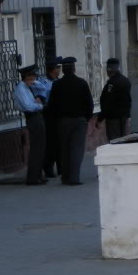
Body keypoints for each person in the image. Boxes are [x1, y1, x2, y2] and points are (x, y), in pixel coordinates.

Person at [45, 56, 93, 185]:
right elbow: (89, 104)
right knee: (77, 149)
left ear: (64, 70)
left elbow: (52, 106)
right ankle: (74, 178)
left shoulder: (57, 84)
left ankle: (65, 177)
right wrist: (85, 119)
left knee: (64, 149)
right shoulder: (82, 83)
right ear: (74, 69)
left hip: (63, 122)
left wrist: (55, 121)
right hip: (79, 121)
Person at [13, 65, 46, 185]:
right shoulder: (21, 89)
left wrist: (34, 84)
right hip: (33, 118)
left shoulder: (28, 86)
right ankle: (33, 177)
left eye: (34, 77)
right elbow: (28, 106)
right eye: (32, 77)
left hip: (37, 117)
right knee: (36, 148)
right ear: (27, 77)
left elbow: (43, 88)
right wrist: (40, 105)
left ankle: (38, 175)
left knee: (41, 147)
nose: (34, 79)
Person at [34, 57, 63, 179]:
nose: (59, 70)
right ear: (53, 69)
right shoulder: (43, 83)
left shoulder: (60, 81)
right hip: (49, 116)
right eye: (58, 68)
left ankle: (62, 168)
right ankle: (48, 167)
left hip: (60, 115)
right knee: (51, 143)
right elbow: (41, 99)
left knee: (61, 143)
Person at [96, 58, 132, 141]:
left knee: (115, 142)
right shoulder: (126, 81)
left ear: (109, 70)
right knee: (125, 140)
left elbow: (107, 102)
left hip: (113, 119)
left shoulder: (111, 83)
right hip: (125, 117)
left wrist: (100, 118)